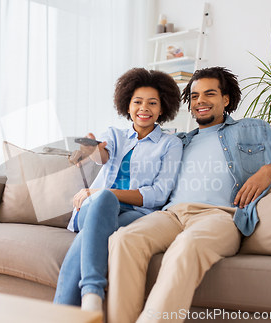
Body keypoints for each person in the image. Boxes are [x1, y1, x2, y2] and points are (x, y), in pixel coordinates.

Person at [106, 67, 271, 323]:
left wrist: (269, 169)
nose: (200, 101)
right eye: (194, 96)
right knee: (124, 239)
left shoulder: (253, 129)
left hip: (220, 217)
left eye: (209, 94)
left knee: (187, 247)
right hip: (171, 215)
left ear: (225, 99)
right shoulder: (178, 141)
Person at [53, 68, 184, 314]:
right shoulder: (115, 134)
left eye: (152, 103)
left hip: (136, 212)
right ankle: (92, 292)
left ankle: (78, 304)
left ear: (162, 108)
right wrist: (91, 148)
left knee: (89, 233)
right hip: (95, 208)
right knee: (103, 199)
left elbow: (157, 194)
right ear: (127, 105)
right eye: (138, 102)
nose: (144, 108)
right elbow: (104, 155)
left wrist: (103, 192)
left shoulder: (170, 144)